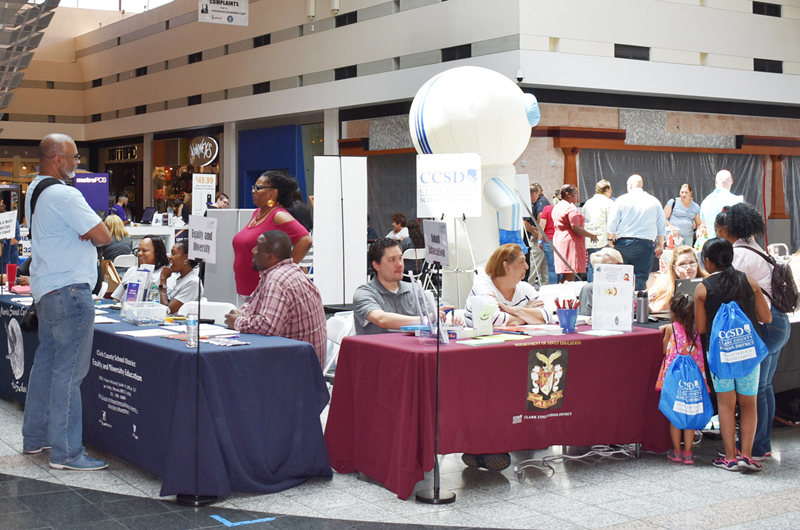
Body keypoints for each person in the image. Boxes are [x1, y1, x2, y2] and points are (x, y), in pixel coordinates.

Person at [22, 133, 112, 471]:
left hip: (47, 291)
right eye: (74, 157)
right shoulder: (65, 194)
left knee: (45, 366)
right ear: (58, 157)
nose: (77, 164)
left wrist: (85, 231)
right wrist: (89, 231)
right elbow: (104, 234)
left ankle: (36, 437)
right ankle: (67, 452)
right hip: (71, 292)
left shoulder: (36, 190)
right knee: (69, 373)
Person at [715, 203, 791, 462]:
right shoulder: (754, 246)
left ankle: (755, 445)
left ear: (728, 228)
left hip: (765, 324)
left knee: (755, 390)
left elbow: (727, 289)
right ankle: (761, 443)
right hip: (778, 322)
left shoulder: (739, 255)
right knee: (764, 387)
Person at [694, 237, 771, 472]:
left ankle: (729, 458)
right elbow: (766, 317)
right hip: (748, 354)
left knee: (727, 405)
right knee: (749, 404)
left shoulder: (703, 288)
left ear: (707, 261)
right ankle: (746, 456)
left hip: (720, 357)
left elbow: (701, 329)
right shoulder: (748, 281)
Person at [225, 230, 327, 367]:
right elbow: (253, 303)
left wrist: (237, 322)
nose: (253, 251)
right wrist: (242, 313)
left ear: (270, 257)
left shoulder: (277, 281)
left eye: (258, 248)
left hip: (295, 367)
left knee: (231, 367)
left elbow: (268, 327)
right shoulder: (287, 271)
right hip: (302, 361)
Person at [232, 171, 312, 297]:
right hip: (248, 290)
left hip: (265, 292)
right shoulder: (258, 213)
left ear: (274, 192)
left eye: (258, 188)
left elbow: (306, 240)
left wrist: (284, 272)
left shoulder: (278, 215)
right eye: (254, 187)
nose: (253, 191)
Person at [353, 238, 451, 335]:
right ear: (376, 265)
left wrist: (447, 320)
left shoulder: (415, 289)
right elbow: (381, 319)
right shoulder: (364, 293)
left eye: (400, 258)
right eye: (392, 260)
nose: (400, 264)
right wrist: (426, 319)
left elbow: (433, 317)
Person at [657, 293, 706, 465]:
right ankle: (688, 453)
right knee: (690, 416)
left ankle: (677, 451)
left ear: (673, 312)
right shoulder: (697, 328)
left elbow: (665, 350)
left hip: (675, 379)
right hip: (694, 379)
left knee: (675, 415)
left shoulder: (671, 328)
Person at [464, 243, 549, 327]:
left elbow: (546, 315)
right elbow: (493, 320)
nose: (526, 266)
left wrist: (510, 309)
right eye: (521, 261)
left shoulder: (525, 288)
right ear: (506, 265)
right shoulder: (483, 287)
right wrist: (527, 316)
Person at [607, 174, 667, 291]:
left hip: (624, 243)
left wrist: (610, 242)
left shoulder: (621, 200)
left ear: (629, 186)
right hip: (645, 244)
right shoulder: (654, 201)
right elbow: (662, 226)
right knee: (641, 277)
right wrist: (660, 244)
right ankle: (638, 303)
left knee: (621, 276)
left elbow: (611, 224)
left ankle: (623, 301)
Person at [551, 184, 597, 282]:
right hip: (570, 242)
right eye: (574, 194)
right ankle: (565, 295)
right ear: (567, 194)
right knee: (570, 274)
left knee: (566, 273)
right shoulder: (570, 208)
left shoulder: (558, 206)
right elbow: (575, 227)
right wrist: (591, 235)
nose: (576, 196)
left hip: (559, 239)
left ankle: (562, 294)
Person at [648, 245, 707, 312]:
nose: (688, 267)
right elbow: (659, 309)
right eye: (682, 264)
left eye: (692, 263)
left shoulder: (706, 282)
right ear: (674, 267)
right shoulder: (664, 283)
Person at [111, 235, 170, 301]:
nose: (139, 254)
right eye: (138, 250)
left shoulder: (164, 274)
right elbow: (116, 298)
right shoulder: (131, 271)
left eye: (144, 250)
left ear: (157, 253)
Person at [156, 239, 203, 313]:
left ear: (186, 257)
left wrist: (163, 279)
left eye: (173, 254)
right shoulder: (174, 278)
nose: (169, 257)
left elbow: (167, 310)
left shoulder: (193, 282)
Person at [582, 179, 614, 282]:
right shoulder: (609, 203)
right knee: (605, 268)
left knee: (591, 266)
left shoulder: (588, 203)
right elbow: (612, 223)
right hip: (604, 240)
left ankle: (591, 290)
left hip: (590, 240)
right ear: (607, 190)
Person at [577, 247, 624, 316]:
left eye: (619, 265)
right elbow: (585, 318)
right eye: (610, 266)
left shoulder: (626, 286)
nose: (616, 269)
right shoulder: (590, 289)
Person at [699, 169, 743, 239]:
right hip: (731, 247)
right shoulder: (738, 201)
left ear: (716, 182)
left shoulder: (705, 202)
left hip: (712, 246)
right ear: (731, 181)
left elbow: (704, 225)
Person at [523, 182, 549, 286]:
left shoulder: (541, 201)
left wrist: (536, 233)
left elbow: (541, 216)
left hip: (539, 238)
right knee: (542, 265)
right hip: (541, 237)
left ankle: (528, 284)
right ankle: (544, 285)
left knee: (535, 263)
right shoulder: (537, 202)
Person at [538, 199, 558, 285]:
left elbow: (542, 226)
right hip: (561, 241)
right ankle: (561, 287)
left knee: (551, 268)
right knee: (561, 267)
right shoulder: (564, 208)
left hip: (549, 240)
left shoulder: (547, 209)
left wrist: (539, 240)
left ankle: (553, 289)